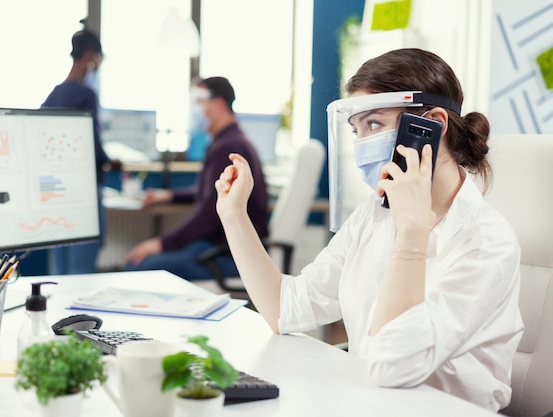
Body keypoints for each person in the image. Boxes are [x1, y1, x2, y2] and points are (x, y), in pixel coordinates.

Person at [214, 48, 523, 412]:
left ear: (433, 126)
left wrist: (411, 233)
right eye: (356, 130)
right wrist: (234, 215)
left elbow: (393, 364)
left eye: (374, 124)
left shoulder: (487, 243)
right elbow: (284, 308)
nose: (362, 144)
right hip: (371, 403)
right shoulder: (372, 217)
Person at [124, 76, 269, 281]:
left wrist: (161, 244)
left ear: (217, 104)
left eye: (199, 103)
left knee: (139, 266)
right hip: (222, 249)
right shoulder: (228, 141)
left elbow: (211, 214)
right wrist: (168, 196)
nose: (195, 110)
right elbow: (211, 193)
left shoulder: (229, 148)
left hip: (225, 255)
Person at [41, 24, 120, 274]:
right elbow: (91, 146)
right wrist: (111, 161)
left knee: (60, 270)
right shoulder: (85, 94)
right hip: (82, 192)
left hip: (55, 192)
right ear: (90, 57)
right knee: (81, 272)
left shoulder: (54, 94)